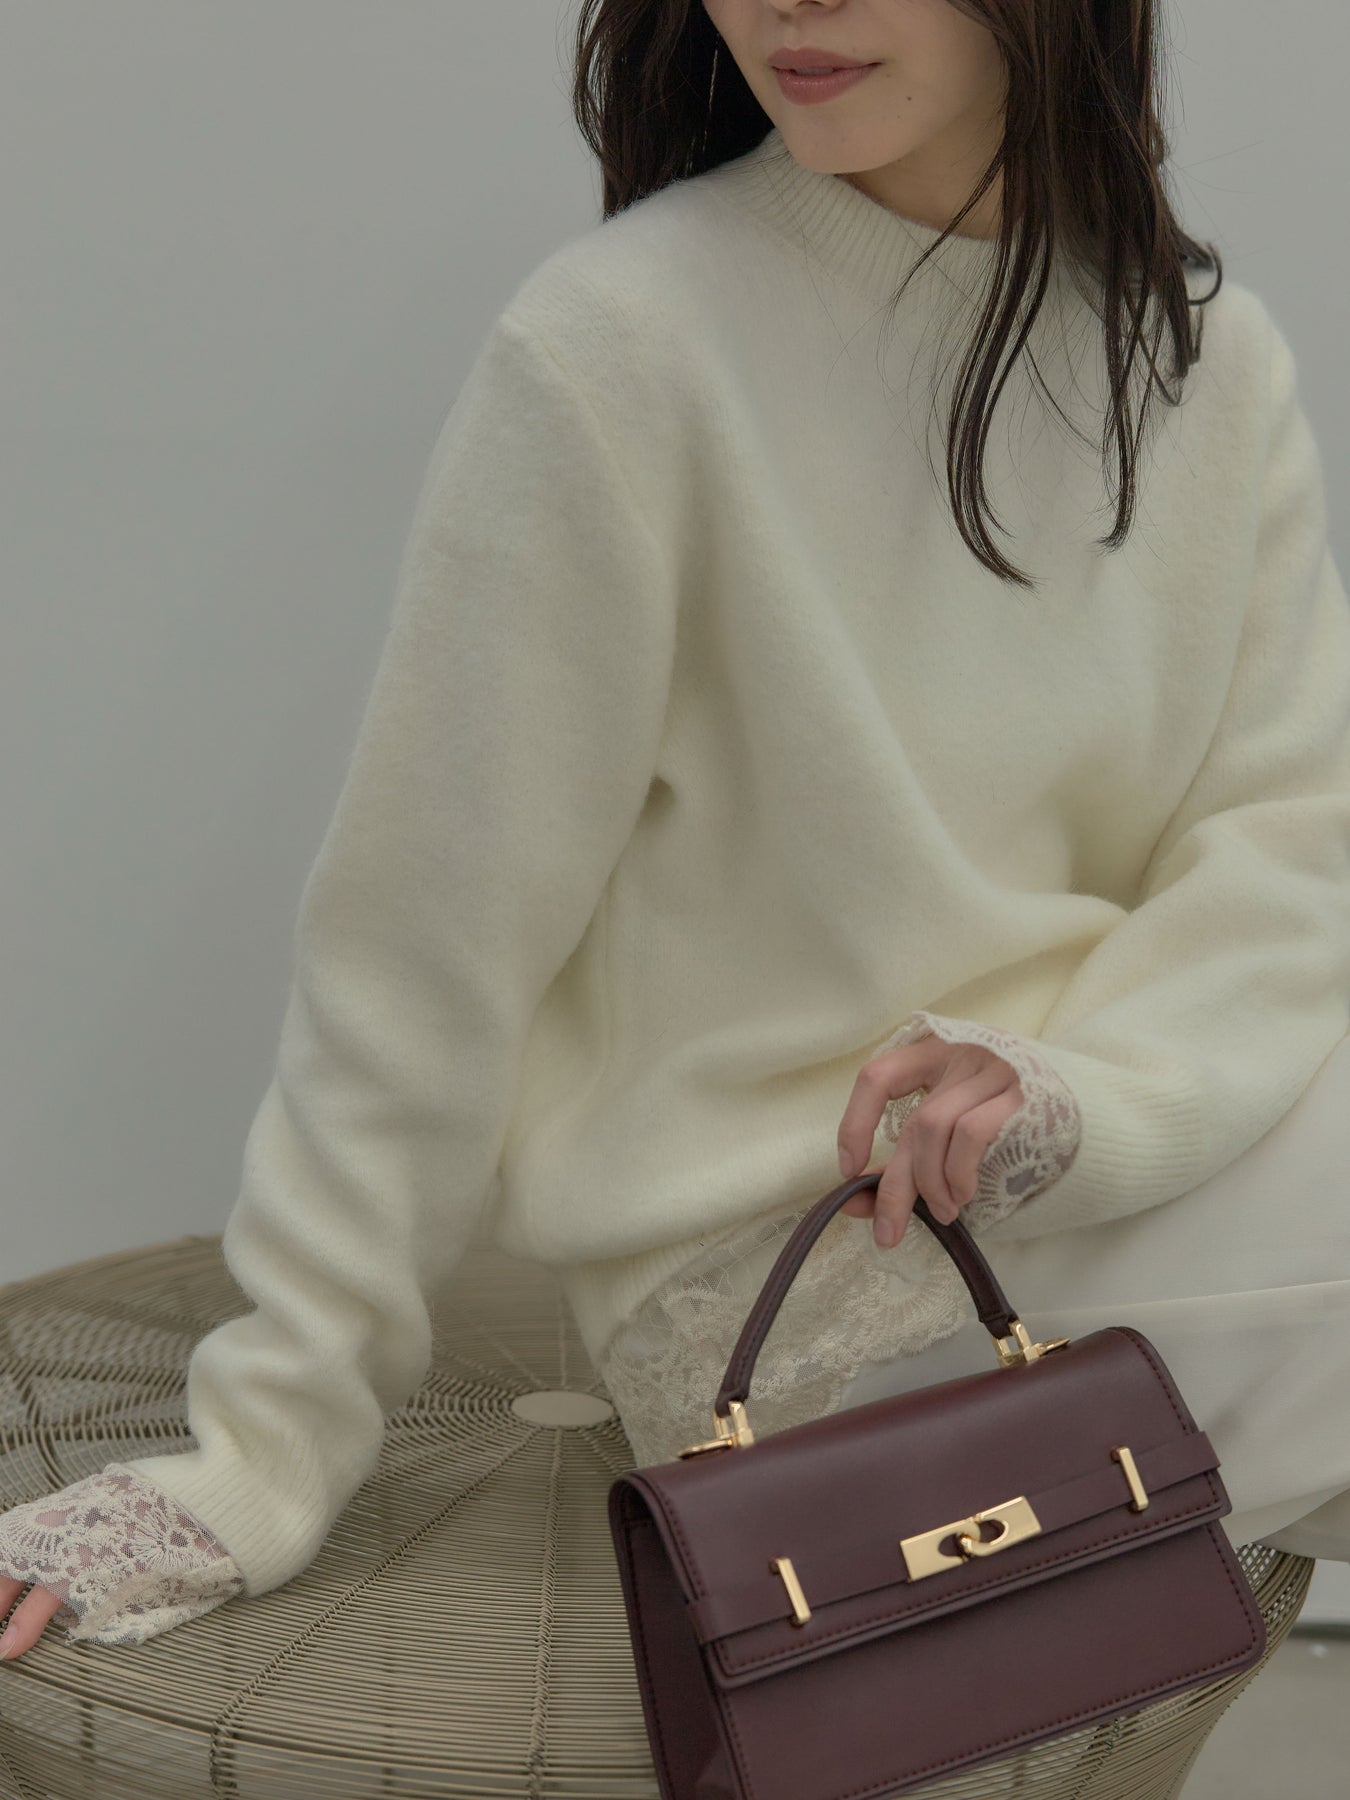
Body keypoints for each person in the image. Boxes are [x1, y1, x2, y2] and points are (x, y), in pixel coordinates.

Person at [4, 0, 1349, 1662]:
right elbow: (426, 946)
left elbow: (1288, 844)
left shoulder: (1199, 355)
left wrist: (1081, 1097)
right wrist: (265, 1441)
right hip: (798, 1288)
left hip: (1124, 1186)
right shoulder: (624, 345)